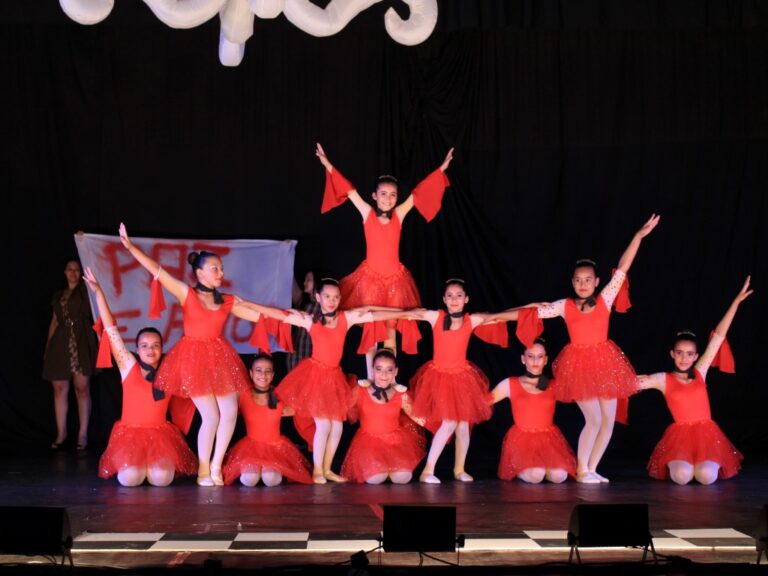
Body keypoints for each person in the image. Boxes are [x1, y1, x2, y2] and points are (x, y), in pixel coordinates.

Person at [119, 224, 265, 487]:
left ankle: (217, 466)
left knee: (230, 413)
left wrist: (293, 319)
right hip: (192, 359)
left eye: (222, 269)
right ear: (200, 273)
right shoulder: (187, 293)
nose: (221, 273)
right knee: (211, 417)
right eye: (215, 269)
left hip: (220, 358)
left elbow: (259, 314)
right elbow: (157, 271)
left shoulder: (226, 300)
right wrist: (130, 247)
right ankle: (203, 470)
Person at [531, 214, 660, 483]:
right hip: (578, 366)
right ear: (572, 282)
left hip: (605, 363)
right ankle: (581, 470)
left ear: (597, 281)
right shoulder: (564, 305)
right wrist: (493, 316)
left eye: (587, 280)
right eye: (578, 280)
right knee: (593, 420)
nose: (582, 284)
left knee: (607, 422)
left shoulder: (605, 299)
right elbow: (532, 314)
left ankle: (591, 469)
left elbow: (623, 268)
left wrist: (638, 236)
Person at [316, 143, 453, 375]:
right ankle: (371, 377)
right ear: (374, 196)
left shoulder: (399, 215)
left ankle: (389, 378)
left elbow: (419, 193)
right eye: (383, 194)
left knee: (390, 333)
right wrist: (327, 164)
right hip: (370, 280)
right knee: (371, 329)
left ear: (397, 198)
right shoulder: (367, 214)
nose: (388, 199)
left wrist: (442, 169)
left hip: (395, 283)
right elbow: (348, 191)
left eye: (392, 195)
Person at [240, 277, 381, 484]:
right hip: (315, 377)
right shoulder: (310, 320)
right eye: (326, 296)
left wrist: (407, 314)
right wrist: (248, 304)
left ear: (340, 298)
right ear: (318, 297)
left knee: (338, 427)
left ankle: (327, 469)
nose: (331, 301)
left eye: (335, 297)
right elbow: (280, 314)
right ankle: (317, 471)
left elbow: (372, 312)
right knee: (323, 426)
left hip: (335, 378)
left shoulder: (345, 318)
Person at [82, 268, 197, 486]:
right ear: (136, 348)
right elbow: (111, 329)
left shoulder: (171, 371)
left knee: (162, 480)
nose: (150, 350)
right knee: (130, 479)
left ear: (162, 348)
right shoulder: (128, 365)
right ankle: (138, 467)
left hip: (161, 437)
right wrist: (98, 293)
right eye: (144, 346)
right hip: (130, 436)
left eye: (155, 346)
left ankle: (151, 469)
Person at [637, 276, 752, 485]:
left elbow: (718, 336)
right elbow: (634, 383)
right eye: (679, 353)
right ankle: (685, 467)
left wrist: (736, 302)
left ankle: (701, 467)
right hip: (679, 439)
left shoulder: (700, 371)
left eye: (689, 354)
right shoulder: (663, 379)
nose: (684, 358)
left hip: (707, 438)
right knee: (681, 477)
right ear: (672, 354)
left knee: (707, 477)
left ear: (696, 356)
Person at [385, 279, 499, 484]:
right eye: (450, 295)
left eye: (459, 295)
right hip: (440, 378)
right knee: (449, 423)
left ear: (466, 299)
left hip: (463, 377)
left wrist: (531, 310)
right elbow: (407, 313)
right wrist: (375, 314)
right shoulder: (436, 316)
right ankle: (428, 471)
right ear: (444, 299)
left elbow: (500, 317)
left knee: (464, 425)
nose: (454, 299)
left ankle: (459, 469)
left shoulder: (470, 320)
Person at [489, 338, 576, 483]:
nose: (535, 361)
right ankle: (521, 467)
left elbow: (579, 395)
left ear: (546, 360)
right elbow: (485, 401)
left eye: (540, 356)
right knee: (536, 476)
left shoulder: (554, 385)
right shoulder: (511, 383)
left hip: (548, 440)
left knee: (559, 477)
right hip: (522, 440)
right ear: (523, 359)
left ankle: (542, 466)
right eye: (530, 356)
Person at [222, 353, 312, 486]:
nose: (263, 375)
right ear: (251, 373)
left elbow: (305, 408)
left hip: (276, 448)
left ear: (273, 375)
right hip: (249, 449)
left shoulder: (280, 395)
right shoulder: (242, 395)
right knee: (249, 480)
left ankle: (270, 472)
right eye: (258, 370)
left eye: (267, 371)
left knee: (271, 480)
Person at [341, 349, 426, 484]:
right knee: (375, 479)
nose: (384, 374)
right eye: (379, 369)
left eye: (389, 370)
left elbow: (419, 418)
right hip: (368, 442)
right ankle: (382, 469)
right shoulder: (360, 391)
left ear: (396, 372)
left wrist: (441, 421)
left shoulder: (401, 394)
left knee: (403, 479)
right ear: (373, 370)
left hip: (394, 442)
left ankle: (387, 468)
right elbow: (342, 408)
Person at [43, 259, 98, 451]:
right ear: (65, 272)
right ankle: (62, 432)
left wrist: (84, 242)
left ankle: (82, 434)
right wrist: (48, 347)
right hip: (61, 342)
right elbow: (54, 321)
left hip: (81, 340)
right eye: (70, 270)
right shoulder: (59, 295)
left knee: (82, 387)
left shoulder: (85, 290)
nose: (73, 273)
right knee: (59, 388)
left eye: (76, 269)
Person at [286, 269, 320, 372]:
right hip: (297, 353)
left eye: (309, 280)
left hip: (313, 355)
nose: (305, 282)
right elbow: (290, 280)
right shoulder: (302, 301)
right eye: (305, 280)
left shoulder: (327, 304)